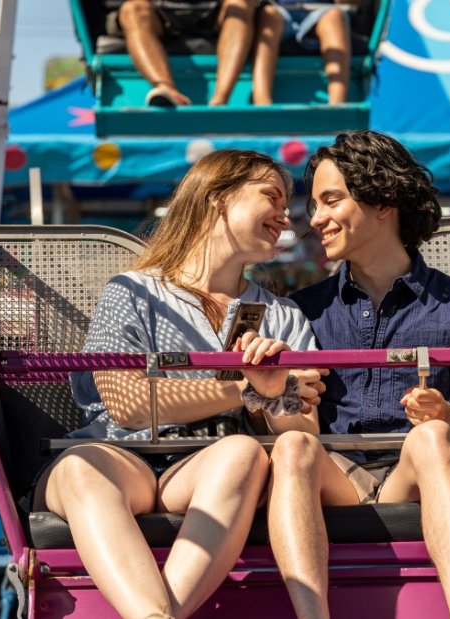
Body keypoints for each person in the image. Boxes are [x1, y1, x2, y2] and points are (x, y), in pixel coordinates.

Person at [47, 149, 321, 619]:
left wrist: (274, 394)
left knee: (243, 453)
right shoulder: (132, 291)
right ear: (217, 197)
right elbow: (128, 405)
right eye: (271, 197)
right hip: (119, 456)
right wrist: (249, 387)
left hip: (205, 466)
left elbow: (306, 431)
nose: (284, 215)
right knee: (80, 468)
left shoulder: (282, 316)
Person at [266, 130, 450, 619]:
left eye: (330, 200)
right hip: (338, 477)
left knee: (432, 439)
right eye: (314, 204)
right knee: (294, 447)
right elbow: (294, 425)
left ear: (383, 201)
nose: (314, 218)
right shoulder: (302, 312)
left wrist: (445, 415)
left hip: (422, 473)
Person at [118, 0, 273, 107]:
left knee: (241, 4)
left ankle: (220, 100)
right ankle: (167, 89)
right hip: (160, 13)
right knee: (132, 10)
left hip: (218, 13)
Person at [250, 1, 353, 105]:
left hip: (322, 9)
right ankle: (262, 102)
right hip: (280, 9)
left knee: (335, 16)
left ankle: (337, 104)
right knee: (269, 15)